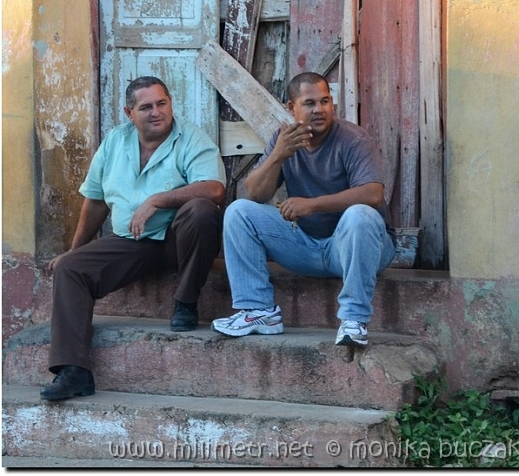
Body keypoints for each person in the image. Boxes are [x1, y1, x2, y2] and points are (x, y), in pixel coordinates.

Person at [40, 75, 226, 401]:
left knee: (201, 210)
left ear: (170, 104)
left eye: (161, 103)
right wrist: (75, 250)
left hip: (177, 242)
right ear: (130, 113)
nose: (156, 112)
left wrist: (157, 200)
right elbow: (96, 201)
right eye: (146, 107)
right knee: (71, 269)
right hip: (131, 241)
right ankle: (74, 371)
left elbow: (214, 189)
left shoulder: (191, 139)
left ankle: (185, 303)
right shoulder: (115, 141)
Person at [211, 72, 395, 347]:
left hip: (357, 249)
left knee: (360, 215)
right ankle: (259, 311)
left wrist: (312, 205)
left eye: (325, 101)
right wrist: (278, 156)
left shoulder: (353, 139)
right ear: (291, 107)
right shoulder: (284, 140)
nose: (320, 109)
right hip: (308, 246)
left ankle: (354, 320)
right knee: (239, 212)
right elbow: (256, 193)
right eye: (310, 103)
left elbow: (373, 194)